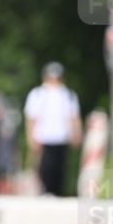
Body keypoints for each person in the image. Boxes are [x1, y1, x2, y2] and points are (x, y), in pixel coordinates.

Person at [24, 62, 83, 196]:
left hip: (62, 137)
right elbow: (31, 118)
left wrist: (77, 133)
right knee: (45, 167)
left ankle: (58, 192)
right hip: (43, 137)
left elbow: (74, 117)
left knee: (60, 168)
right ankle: (45, 191)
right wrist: (31, 137)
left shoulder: (68, 95)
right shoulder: (38, 94)